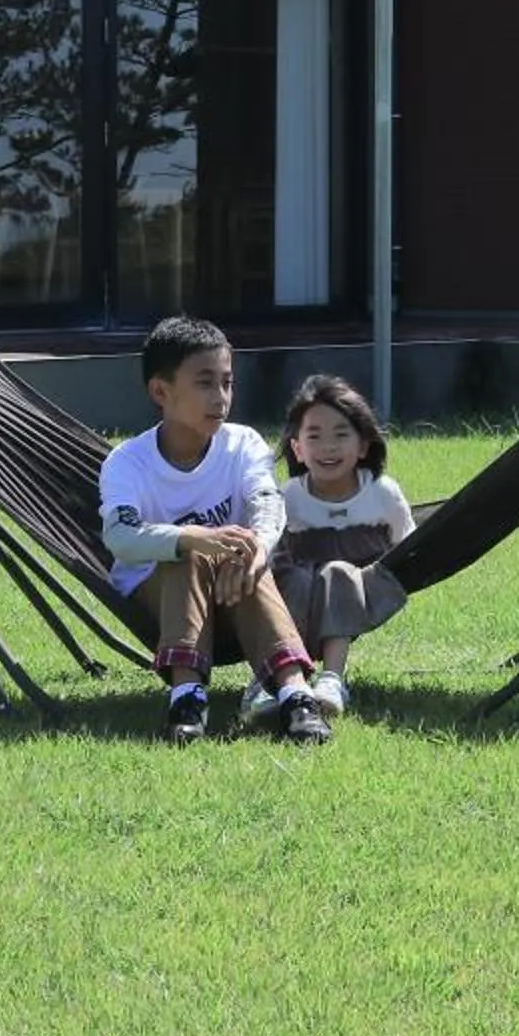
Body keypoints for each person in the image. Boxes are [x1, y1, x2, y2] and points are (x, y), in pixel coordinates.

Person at [97, 316, 334, 744]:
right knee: (189, 554)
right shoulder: (127, 463)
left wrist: (257, 551)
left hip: (235, 588)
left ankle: (297, 697)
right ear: (160, 392)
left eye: (227, 382)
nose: (220, 397)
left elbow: (267, 505)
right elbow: (121, 537)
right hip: (158, 593)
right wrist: (192, 538)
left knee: (244, 553)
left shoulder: (243, 444)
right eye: (205, 383)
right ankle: (187, 698)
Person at [274, 374, 417, 717]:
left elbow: (410, 544)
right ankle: (287, 674)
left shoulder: (382, 493)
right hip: (303, 594)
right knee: (295, 578)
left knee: (337, 573)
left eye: (341, 435)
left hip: (367, 588)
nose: (328, 447)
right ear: (298, 448)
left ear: (363, 445)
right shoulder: (289, 497)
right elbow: (275, 552)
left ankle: (332, 679)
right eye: (315, 436)